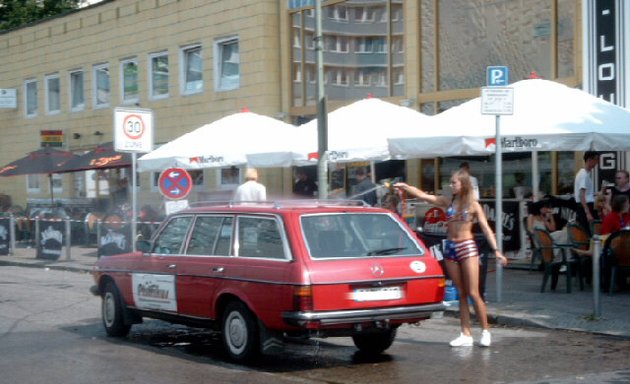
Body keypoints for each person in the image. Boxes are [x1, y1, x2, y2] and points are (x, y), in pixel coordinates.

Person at [395, 169, 508, 347]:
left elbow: (486, 228)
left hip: (467, 246)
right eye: (451, 182)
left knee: (473, 292)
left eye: (454, 182)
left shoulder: (473, 205)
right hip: (450, 247)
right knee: (461, 293)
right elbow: (425, 197)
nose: (451, 185)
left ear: (463, 184)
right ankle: (465, 333)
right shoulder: (448, 202)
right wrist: (406, 187)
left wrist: (497, 250)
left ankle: (485, 330)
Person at [574, 151, 600, 236]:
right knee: (591, 233)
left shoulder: (584, 174)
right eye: (596, 160)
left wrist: (597, 193)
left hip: (585, 205)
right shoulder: (584, 175)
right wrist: (587, 213)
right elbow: (581, 195)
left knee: (591, 232)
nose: (597, 162)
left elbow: (585, 194)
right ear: (589, 160)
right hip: (586, 206)